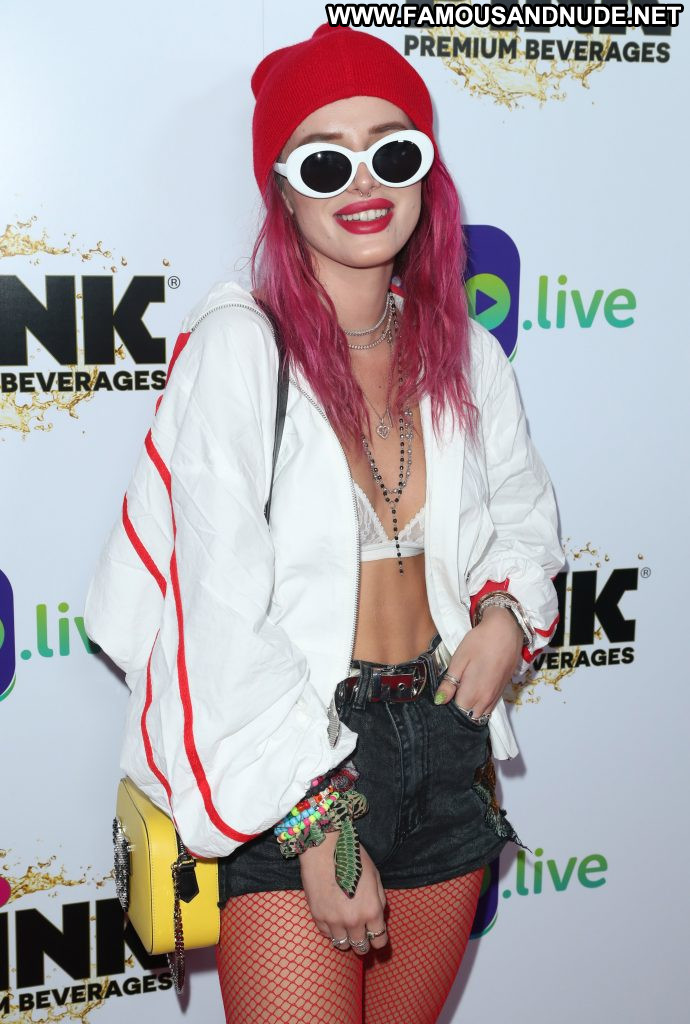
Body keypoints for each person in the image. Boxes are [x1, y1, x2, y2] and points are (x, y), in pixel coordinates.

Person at [84, 22, 565, 1024]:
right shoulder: (238, 347)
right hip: (291, 755)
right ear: (284, 189)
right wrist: (310, 813)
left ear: (426, 171)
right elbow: (220, 608)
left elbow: (522, 515)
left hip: (445, 741)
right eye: (325, 160)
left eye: (393, 151)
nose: (364, 182)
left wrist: (506, 616)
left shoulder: (467, 352)